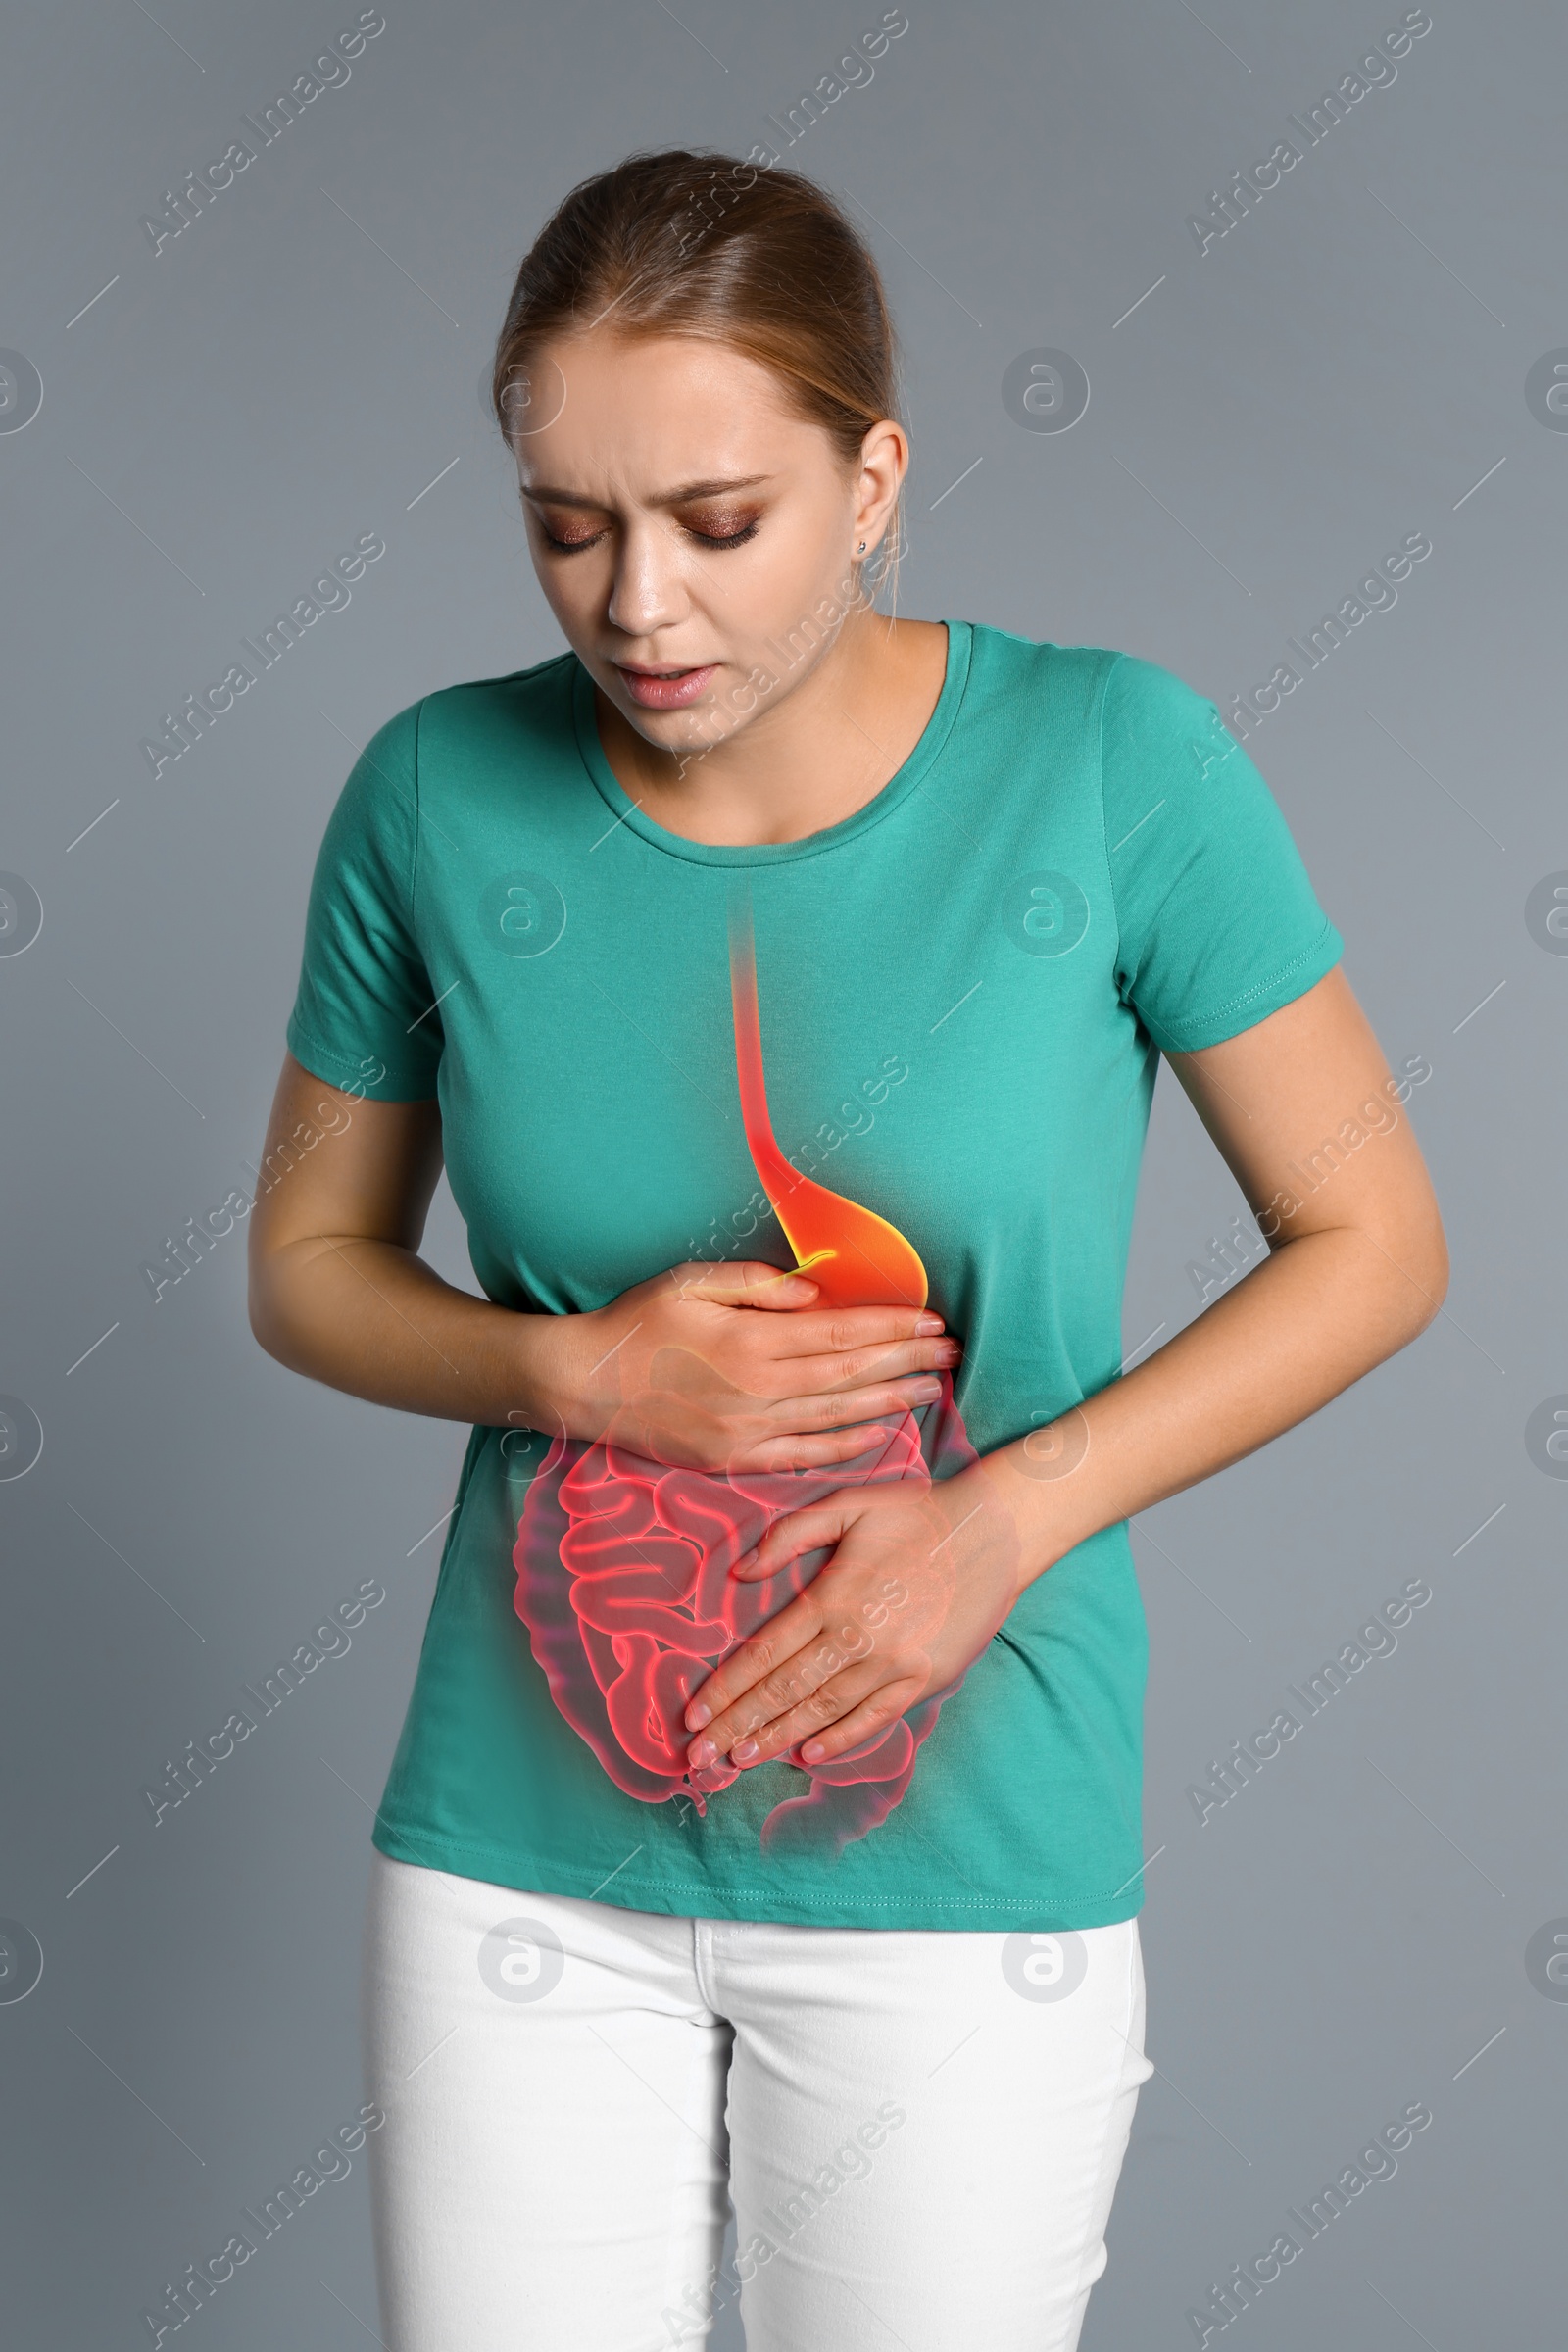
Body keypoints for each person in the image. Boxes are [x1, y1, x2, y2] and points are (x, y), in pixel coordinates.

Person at [247, 148, 1448, 2352]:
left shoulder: (1110, 764)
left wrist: (1000, 1524)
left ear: (872, 473)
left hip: (962, 1856)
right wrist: (568, 1374)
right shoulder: (433, 795)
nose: (633, 607)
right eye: (564, 526)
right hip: (523, 1858)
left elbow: (1371, 1237)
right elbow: (306, 1265)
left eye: (716, 523)